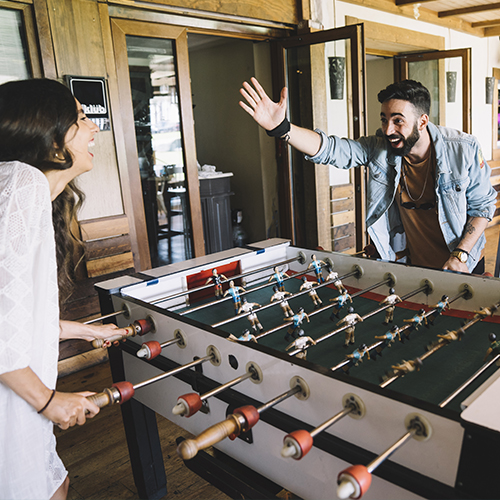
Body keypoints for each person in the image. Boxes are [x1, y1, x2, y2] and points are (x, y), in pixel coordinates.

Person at [0, 79, 128, 500]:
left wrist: (88, 331)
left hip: (21, 392)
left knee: (58, 483)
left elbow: (17, 317)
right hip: (13, 401)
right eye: (82, 119)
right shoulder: (21, 184)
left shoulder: (27, 190)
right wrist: (48, 401)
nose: (94, 130)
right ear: (53, 141)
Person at [239, 77, 497, 274]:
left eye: (398, 121)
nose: (388, 129)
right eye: (384, 119)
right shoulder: (380, 147)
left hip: (460, 262)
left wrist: (460, 254)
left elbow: (483, 206)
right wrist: (282, 128)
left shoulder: (463, 148)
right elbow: (332, 149)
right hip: (409, 264)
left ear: (422, 121)